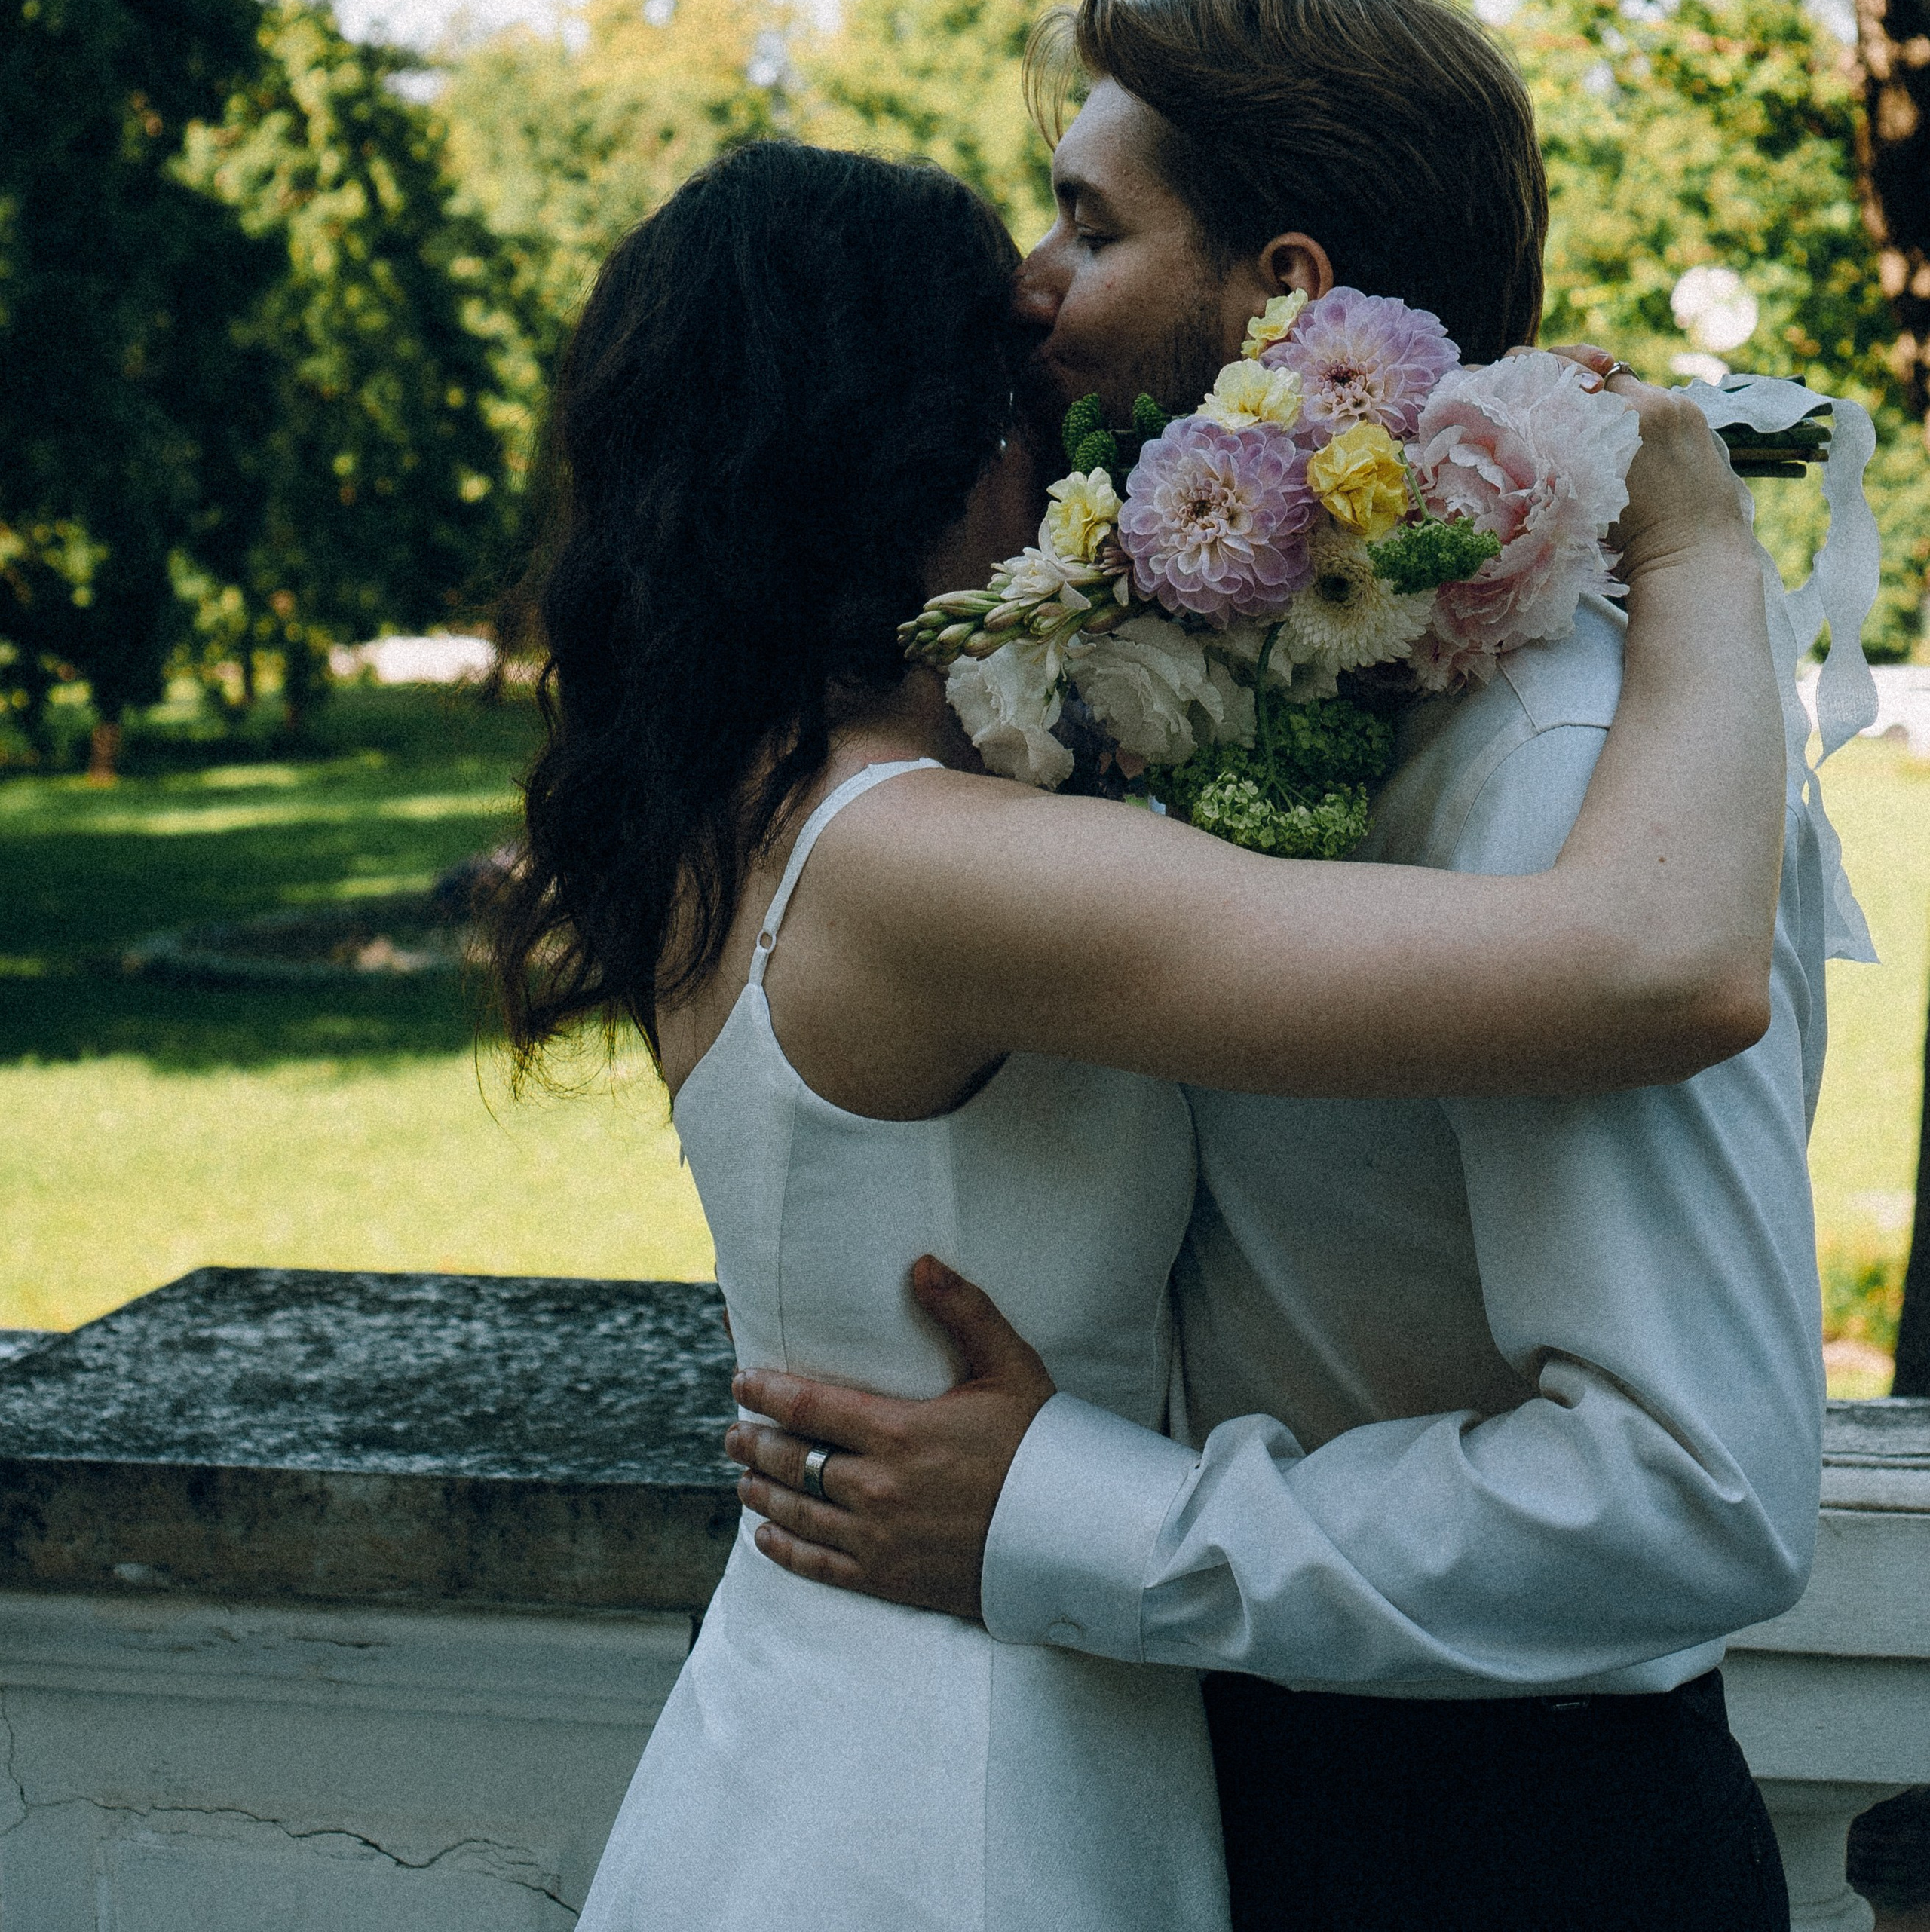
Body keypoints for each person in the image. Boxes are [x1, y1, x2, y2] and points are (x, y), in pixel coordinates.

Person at [493, 127, 1786, 1932]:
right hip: (973, 1763)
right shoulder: (927, 867)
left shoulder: (756, 800)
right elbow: (1662, 966)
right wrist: (1701, 548)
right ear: (926, 435)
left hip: (854, 1689)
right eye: (1012, 384)